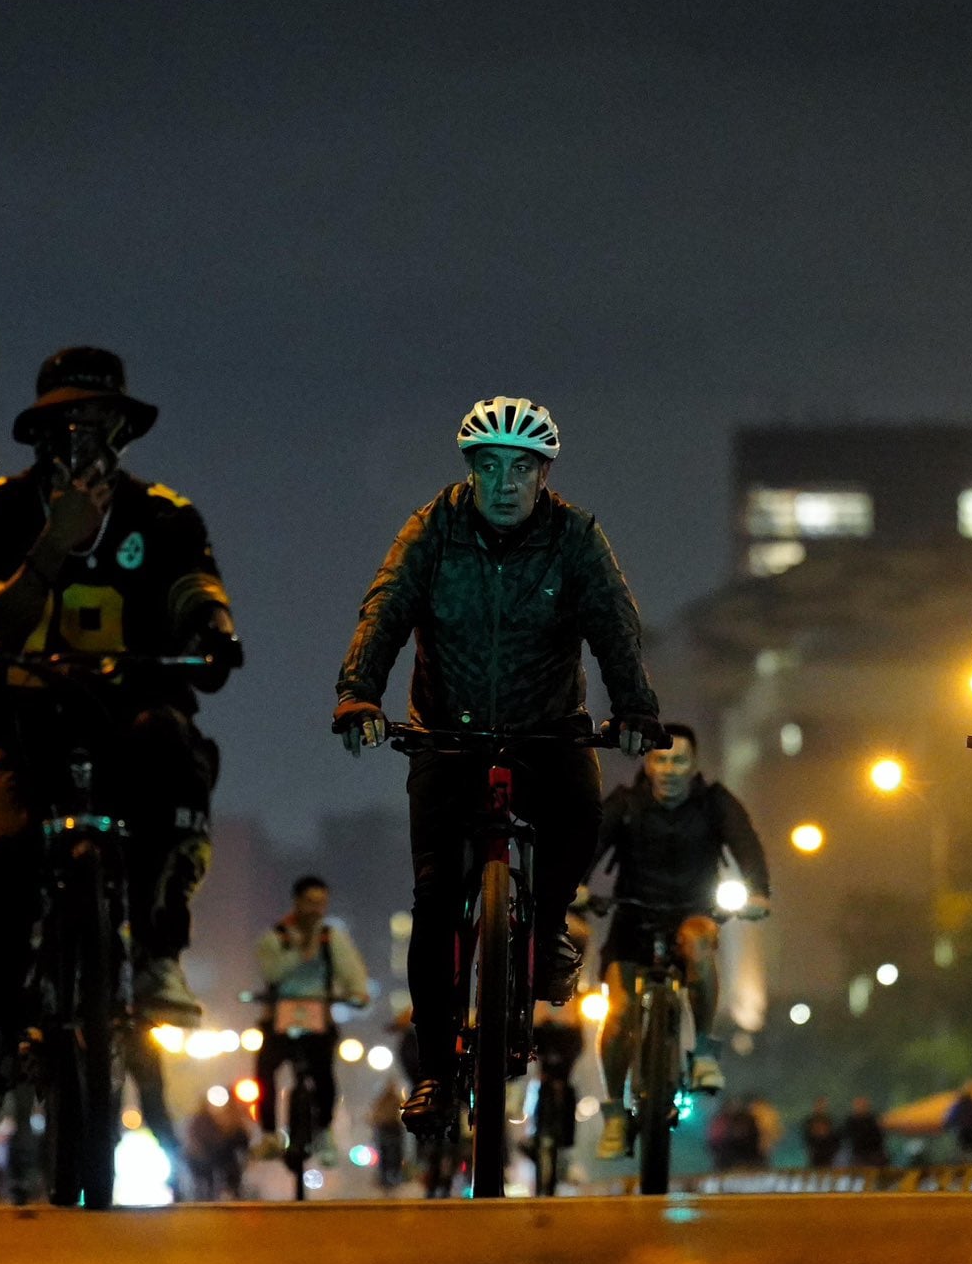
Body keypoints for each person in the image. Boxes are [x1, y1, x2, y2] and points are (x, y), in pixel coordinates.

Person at [333, 396, 662, 1133]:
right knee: (433, 902)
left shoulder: (576, 537)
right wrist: (358, 695)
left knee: (581, 811)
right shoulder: (431, 530)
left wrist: (636, 707)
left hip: (548, 730)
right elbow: (384, 608)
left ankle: (544, 931)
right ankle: (440, 1077)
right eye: (489, 467)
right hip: (447, 735)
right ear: (470, 471)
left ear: (544, 474)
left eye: (521, 468)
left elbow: (614, 622)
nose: (505, 483)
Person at [0, 345, 241, 1140]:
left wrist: (212, 628)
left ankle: (156, 953)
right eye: (66, 423)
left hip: (127, 721)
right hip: (17, 717)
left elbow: (194, 593)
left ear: (125, 430)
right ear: (39, 434)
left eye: (99, 421)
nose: (84, 438)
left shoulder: (166, 517)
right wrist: (50, 546)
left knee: (173, 755)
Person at [587, 722, 769, 1158]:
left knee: (700, 945)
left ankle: (703, 1052)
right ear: (647, 764)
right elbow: (587, 845)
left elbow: (748, 845)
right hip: (631, 921)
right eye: (660, 759)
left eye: (679, 760)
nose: (669, 769)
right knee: (619, 1016)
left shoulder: (715, 804)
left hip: (693, 916)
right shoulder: (625, 804)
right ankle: (614, 1114)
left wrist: (759, 890)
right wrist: (574, 888)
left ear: (695, 764)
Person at [252, 875, 370, 1162]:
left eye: (321, 903)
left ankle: (324, 1132)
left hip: (319, 1018)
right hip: (280, 1018)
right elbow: (271, 972)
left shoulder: (333, 938)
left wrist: (358, 992)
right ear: (297, 902)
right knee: (265, 1071)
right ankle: (269, 1134)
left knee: (324, 1075)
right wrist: (301, 953)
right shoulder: (275, 937)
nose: (316, 909)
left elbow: (352, 972)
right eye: (310, 902)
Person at [843, 1095, 888, 1168]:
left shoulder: (874, 1119)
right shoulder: (850, 1121)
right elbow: (846, 1136)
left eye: (862, 1105)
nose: (860, 1107)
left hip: (874, 1154)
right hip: (858, 1155)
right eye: (858, 1104)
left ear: (867, 1106)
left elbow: (880, 1136)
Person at [800, 1096, 841, 1169]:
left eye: (822, 1105)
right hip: (815, 1151)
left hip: (828, 1152)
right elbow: (806, 1136)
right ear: (815, 1106)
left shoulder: (830, 1120)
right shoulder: (809, 1121)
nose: (820, 1107)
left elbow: (836, 1136)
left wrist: (833, 1149)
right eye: (819, 1105)